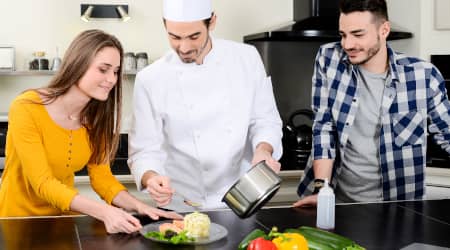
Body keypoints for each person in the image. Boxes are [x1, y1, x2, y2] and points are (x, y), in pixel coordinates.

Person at [0, 29, 181, 233]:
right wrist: (104, 211)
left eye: (115, 71)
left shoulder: (96, 119)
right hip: (17, 222)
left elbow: (102, 178)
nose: (112, 79)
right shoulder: (26, 107)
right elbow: (42, 182)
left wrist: (140, 206)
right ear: (78, 65)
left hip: (63, 220)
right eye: (103, 69)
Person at [128, 0, 283, 210]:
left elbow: (265, 120)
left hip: (241, 196)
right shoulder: (150, 79)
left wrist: (264, 150)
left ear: (212, 22)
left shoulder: (246, 59)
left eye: (194, 36)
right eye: (174, 37)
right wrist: (151, 178)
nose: (184, 47)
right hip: (181, 203)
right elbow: (144, 151)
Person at [294, 0, 450, 206]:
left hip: (399, 208)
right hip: (337, 203)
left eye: (358, 34)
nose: (347, 44)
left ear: (384, 30)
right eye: (343, 35)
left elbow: (447, 134)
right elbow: (324, 126)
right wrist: (322, 190)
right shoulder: (328, 58)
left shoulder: (423, 75)